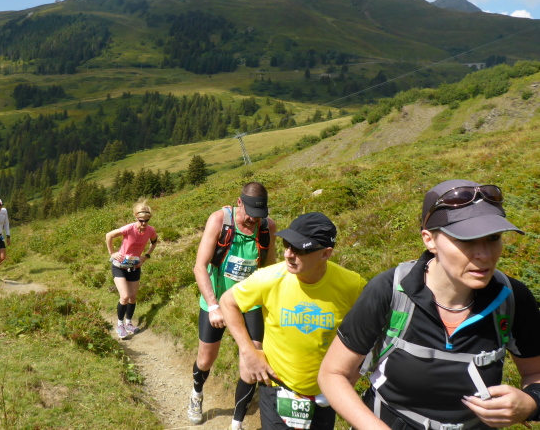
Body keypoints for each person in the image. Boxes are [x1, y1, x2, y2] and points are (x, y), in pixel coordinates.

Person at [318, 180, 540, 430]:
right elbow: (333, 374)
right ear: (429, 240)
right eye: (466, 240)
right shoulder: (389, 290)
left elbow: (534, 373)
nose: (485, 255)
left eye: (493, 238)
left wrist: (531, 403)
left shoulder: (513, 298)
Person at [221, 212, 366, 430]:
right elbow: (227, 302)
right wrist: (248, 351)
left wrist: (355, 370)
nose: (288, 254)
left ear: (325, 253)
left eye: (299, 249)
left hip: (326, 392)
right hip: (277, 386)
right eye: (287, 244)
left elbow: (372, 330)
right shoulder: (268, 278)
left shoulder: (352, 286)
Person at [188, 181, 277, 429]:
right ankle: (197, 393)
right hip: (216, 300)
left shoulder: (267, 227)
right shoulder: (219, 220)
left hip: (250, 304)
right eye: (250, 213)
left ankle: (236, 424)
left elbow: (269, 269)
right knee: (205, 360)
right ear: (239, 202)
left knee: (251, 364)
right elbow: (200, 267)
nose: (253, 220)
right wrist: (213, 305)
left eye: (259, 215)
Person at [105, 200, 158, 339]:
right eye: (141, 220)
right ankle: (120, 325)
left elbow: (154, 242)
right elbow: (109, 235)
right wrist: (112, 253)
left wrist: (145, 256)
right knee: (124, 297)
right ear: (136, 217)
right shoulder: (129, 228)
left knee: (133, 297)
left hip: (134, 267)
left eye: (146, 220)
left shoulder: (150, 230)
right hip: (119, 266)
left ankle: (128, 323)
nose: (144, 223)